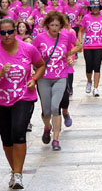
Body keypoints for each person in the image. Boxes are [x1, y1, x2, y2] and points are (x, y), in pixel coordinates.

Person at [0, 18, 45, 189]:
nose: (7, 35)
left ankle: (18, 174)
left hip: (24, 97)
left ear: (16, 31)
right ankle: (14, 170)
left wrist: (34, 79)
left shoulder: (28, 48)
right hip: (1, 101)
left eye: (10, 31)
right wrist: (0, 73)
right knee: (7, 139)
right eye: (3, 32)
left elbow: (40, 65)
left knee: (18, 132)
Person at [33, 11, 81, 151]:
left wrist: (70, 55)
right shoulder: (40, 38)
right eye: (52, 25)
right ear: (47, 25)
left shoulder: (66, 36)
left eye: (57, 25)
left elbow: (79, 45)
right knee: (46, 110)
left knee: (55, 107)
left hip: (61, 76)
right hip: (43, 77)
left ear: (61, 26)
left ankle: (56, 139)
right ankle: (47, 127)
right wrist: (31, 68)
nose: (54, 28)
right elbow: (30, 53)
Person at [78, 0, 102, 97]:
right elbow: (81, 30)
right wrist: (80, 42)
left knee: (97, 66)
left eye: (96, 7)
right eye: (93, 7)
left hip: (99, 45)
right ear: (90, 8)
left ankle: (96, 88)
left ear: (99, 8)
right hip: (88, 45)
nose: (95, 9)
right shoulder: (86, 17)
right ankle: (89, 81)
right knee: (89, 66)